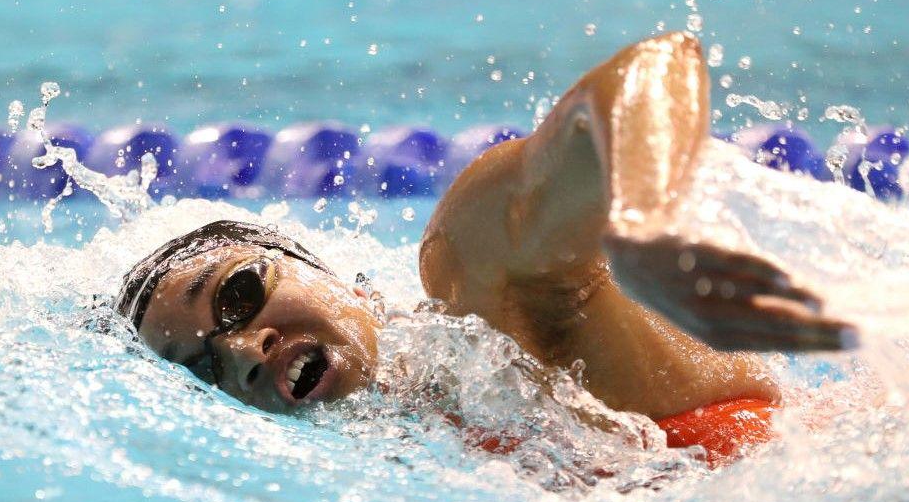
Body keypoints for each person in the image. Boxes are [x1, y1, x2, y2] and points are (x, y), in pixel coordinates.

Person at [115, 32, 856, 467]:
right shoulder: (420, 442)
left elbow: (647, 78)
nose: (243, 350)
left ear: (326, 271)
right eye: (205, 369)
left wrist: (649, 196)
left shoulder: (477, 277)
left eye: (238, 294)